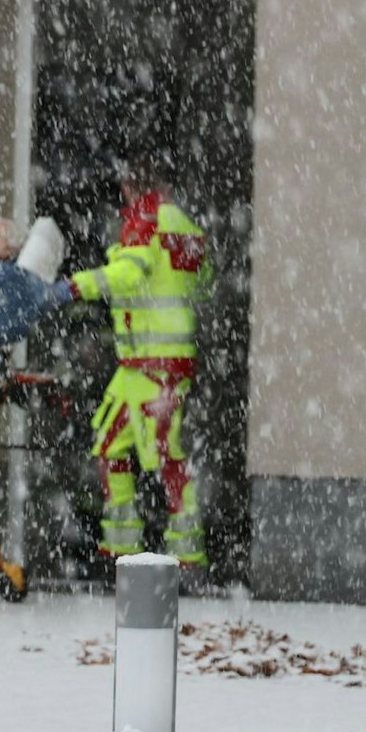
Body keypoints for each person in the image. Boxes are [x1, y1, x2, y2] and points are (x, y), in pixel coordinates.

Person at [53, 160, 210, 571]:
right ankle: (124, 545)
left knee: (164, 453)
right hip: (149, 361)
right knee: (113, 442)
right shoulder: (185, 226)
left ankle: (180, 549)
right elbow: (202, 282)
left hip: (153, 361)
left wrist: (75, 286)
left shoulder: (147, 218)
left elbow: (128, 274)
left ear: (130, 185)